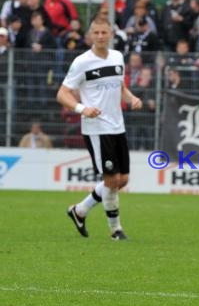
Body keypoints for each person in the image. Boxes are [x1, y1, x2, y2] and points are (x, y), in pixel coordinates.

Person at [56, 17, 142, 240]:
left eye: (104, 32)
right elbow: (62, 93)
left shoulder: (117, 57)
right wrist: (81, 108)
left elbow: (120, 85)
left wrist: (131, 97)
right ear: (90, 36)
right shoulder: (82, 62)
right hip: (96, 128)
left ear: (111, 34)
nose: (101, 36)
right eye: (97, 33)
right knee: (111, 180)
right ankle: (116, 230)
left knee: (122, 180)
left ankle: (79, 210)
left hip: (117, 125)